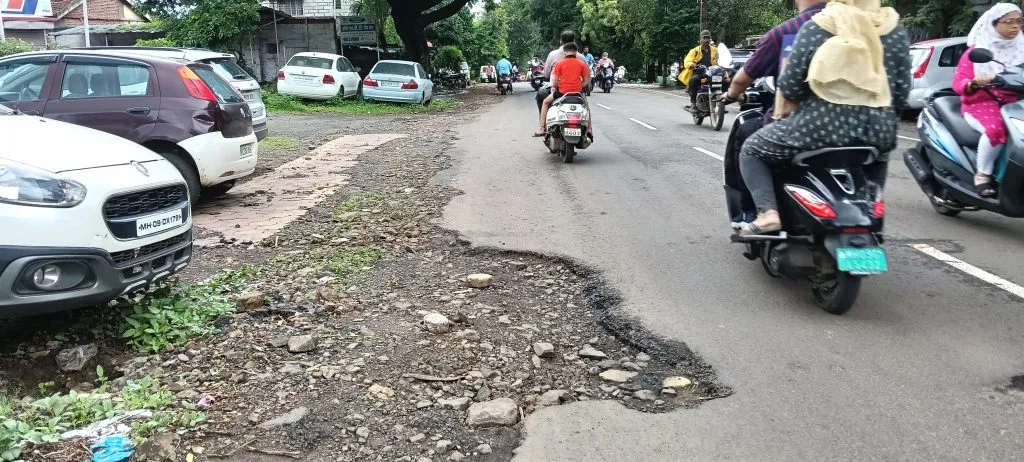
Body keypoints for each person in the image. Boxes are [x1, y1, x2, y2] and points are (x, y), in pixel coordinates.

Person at [734, 0, 910, 235]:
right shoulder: (893, 29)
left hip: (818, 127)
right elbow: (900, 90)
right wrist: (883, 119)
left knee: (752, 149)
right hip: (877, 131)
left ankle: (768, 214)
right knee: (880, 155)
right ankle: (870, 215)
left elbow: (790, 87)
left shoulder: (818, 26)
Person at [723, 0, 828, 154]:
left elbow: (741, 80)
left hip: (798, 129)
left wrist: (731, 94)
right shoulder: (859, 27)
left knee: (747, 135)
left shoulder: (788, 31)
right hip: (856, 128)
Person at [954, 4, 1024, 198]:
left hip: (1014, 104)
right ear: (994, 24)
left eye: (1019, 21)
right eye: (1009, 21)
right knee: (996, 129)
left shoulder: (1022, 48)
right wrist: (974, 83)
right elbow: (958, 83)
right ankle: (982, 175)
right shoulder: (976, 52)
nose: (1015, 26)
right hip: (981, 103)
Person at [535, 42, 592, 137]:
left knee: (545, 102)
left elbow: (554, 82)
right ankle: (589, 129)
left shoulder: (559, 63)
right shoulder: (581, 63)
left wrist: (559, 86)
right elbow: (587, 81)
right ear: (576, 52)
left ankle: (541, 128)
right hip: (577, 93)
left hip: (562, 92)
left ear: (565, 52)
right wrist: (578, 86)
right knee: (586, 106)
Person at [537, 30, 590, 111]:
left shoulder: (553, 55)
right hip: (577, 91)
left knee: (541, 95)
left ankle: (543, 122)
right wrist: (579, 85)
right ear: (574, 41)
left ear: (561, 41)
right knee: (586, 107)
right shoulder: (581, 58)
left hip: (559, 91)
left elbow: (546, 74)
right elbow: (587, 78)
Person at [681, 30, 719, 111]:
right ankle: (693, 104)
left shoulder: (715, 50)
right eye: (704, 38)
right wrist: (692, 65)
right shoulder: (694, 51)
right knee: (694, 80)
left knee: (724, 80)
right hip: (699, 72)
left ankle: (721, 102)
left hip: (712, 73)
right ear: (700, 39)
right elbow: (687, 61)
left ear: (710, 39)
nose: (706, 40)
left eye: (708, 38)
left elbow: (721, 59)